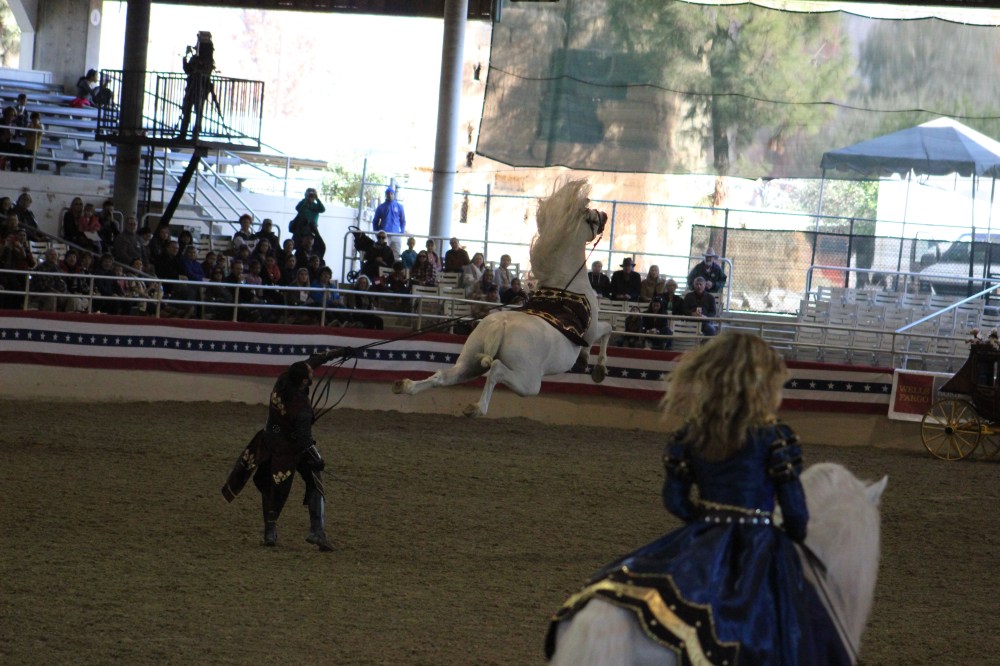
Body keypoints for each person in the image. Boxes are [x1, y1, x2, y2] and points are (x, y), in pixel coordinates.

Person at [546, 332, 850, 666]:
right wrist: (788, 532)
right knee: (799, 627)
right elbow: (795, 515)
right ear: (763, 384)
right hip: (759, 543)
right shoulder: (775, 437)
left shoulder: (690, 435)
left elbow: (674, 501)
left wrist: (705, 521)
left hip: (702, 536)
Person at [222, 348, 349, 551]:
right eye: (309, 373)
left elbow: (312, 361)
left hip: (268, 439)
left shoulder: (284, 379)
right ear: (304, 382)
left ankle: (270, 531)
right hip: (289, 449)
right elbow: (304, 439)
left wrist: (340, 353)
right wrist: (317, 459)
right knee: (314, 480)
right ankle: (317, 531)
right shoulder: (302, 408)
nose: (312, 371)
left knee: (270, 487)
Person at [178, 32, 216, 140]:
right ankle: (184, 134)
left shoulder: (208, 59)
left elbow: (202, 70)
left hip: (201, 88)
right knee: (187, 110)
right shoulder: (196, 58)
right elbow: (188, 70)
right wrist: (186, 57)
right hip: (192, 86)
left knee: (197, 111)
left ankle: (194, 134)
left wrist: (195, 67)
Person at [291, 188, 326, 260]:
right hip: (302, 228)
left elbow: (322, 209)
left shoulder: (316, 206)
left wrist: (317, 198)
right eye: (310, 194)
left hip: (312, 228)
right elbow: (297, 208)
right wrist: (306, 199)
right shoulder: (303, 203)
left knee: (314, 244)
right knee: (299, 245)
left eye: (313, 194)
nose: (311, 196)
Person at [372, 186, 407, 258]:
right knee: (383, 254)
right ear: (385, 195)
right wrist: (377, 233)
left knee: (396, 254)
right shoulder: (381, 207)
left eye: (391, 193)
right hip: (384, 235)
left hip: (396, 234)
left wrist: (402, 232)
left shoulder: (399, 206)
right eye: (388, 193)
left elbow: (403, 221)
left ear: (394, 194)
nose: (390, 195)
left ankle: (395, 268)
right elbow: (375, 221)